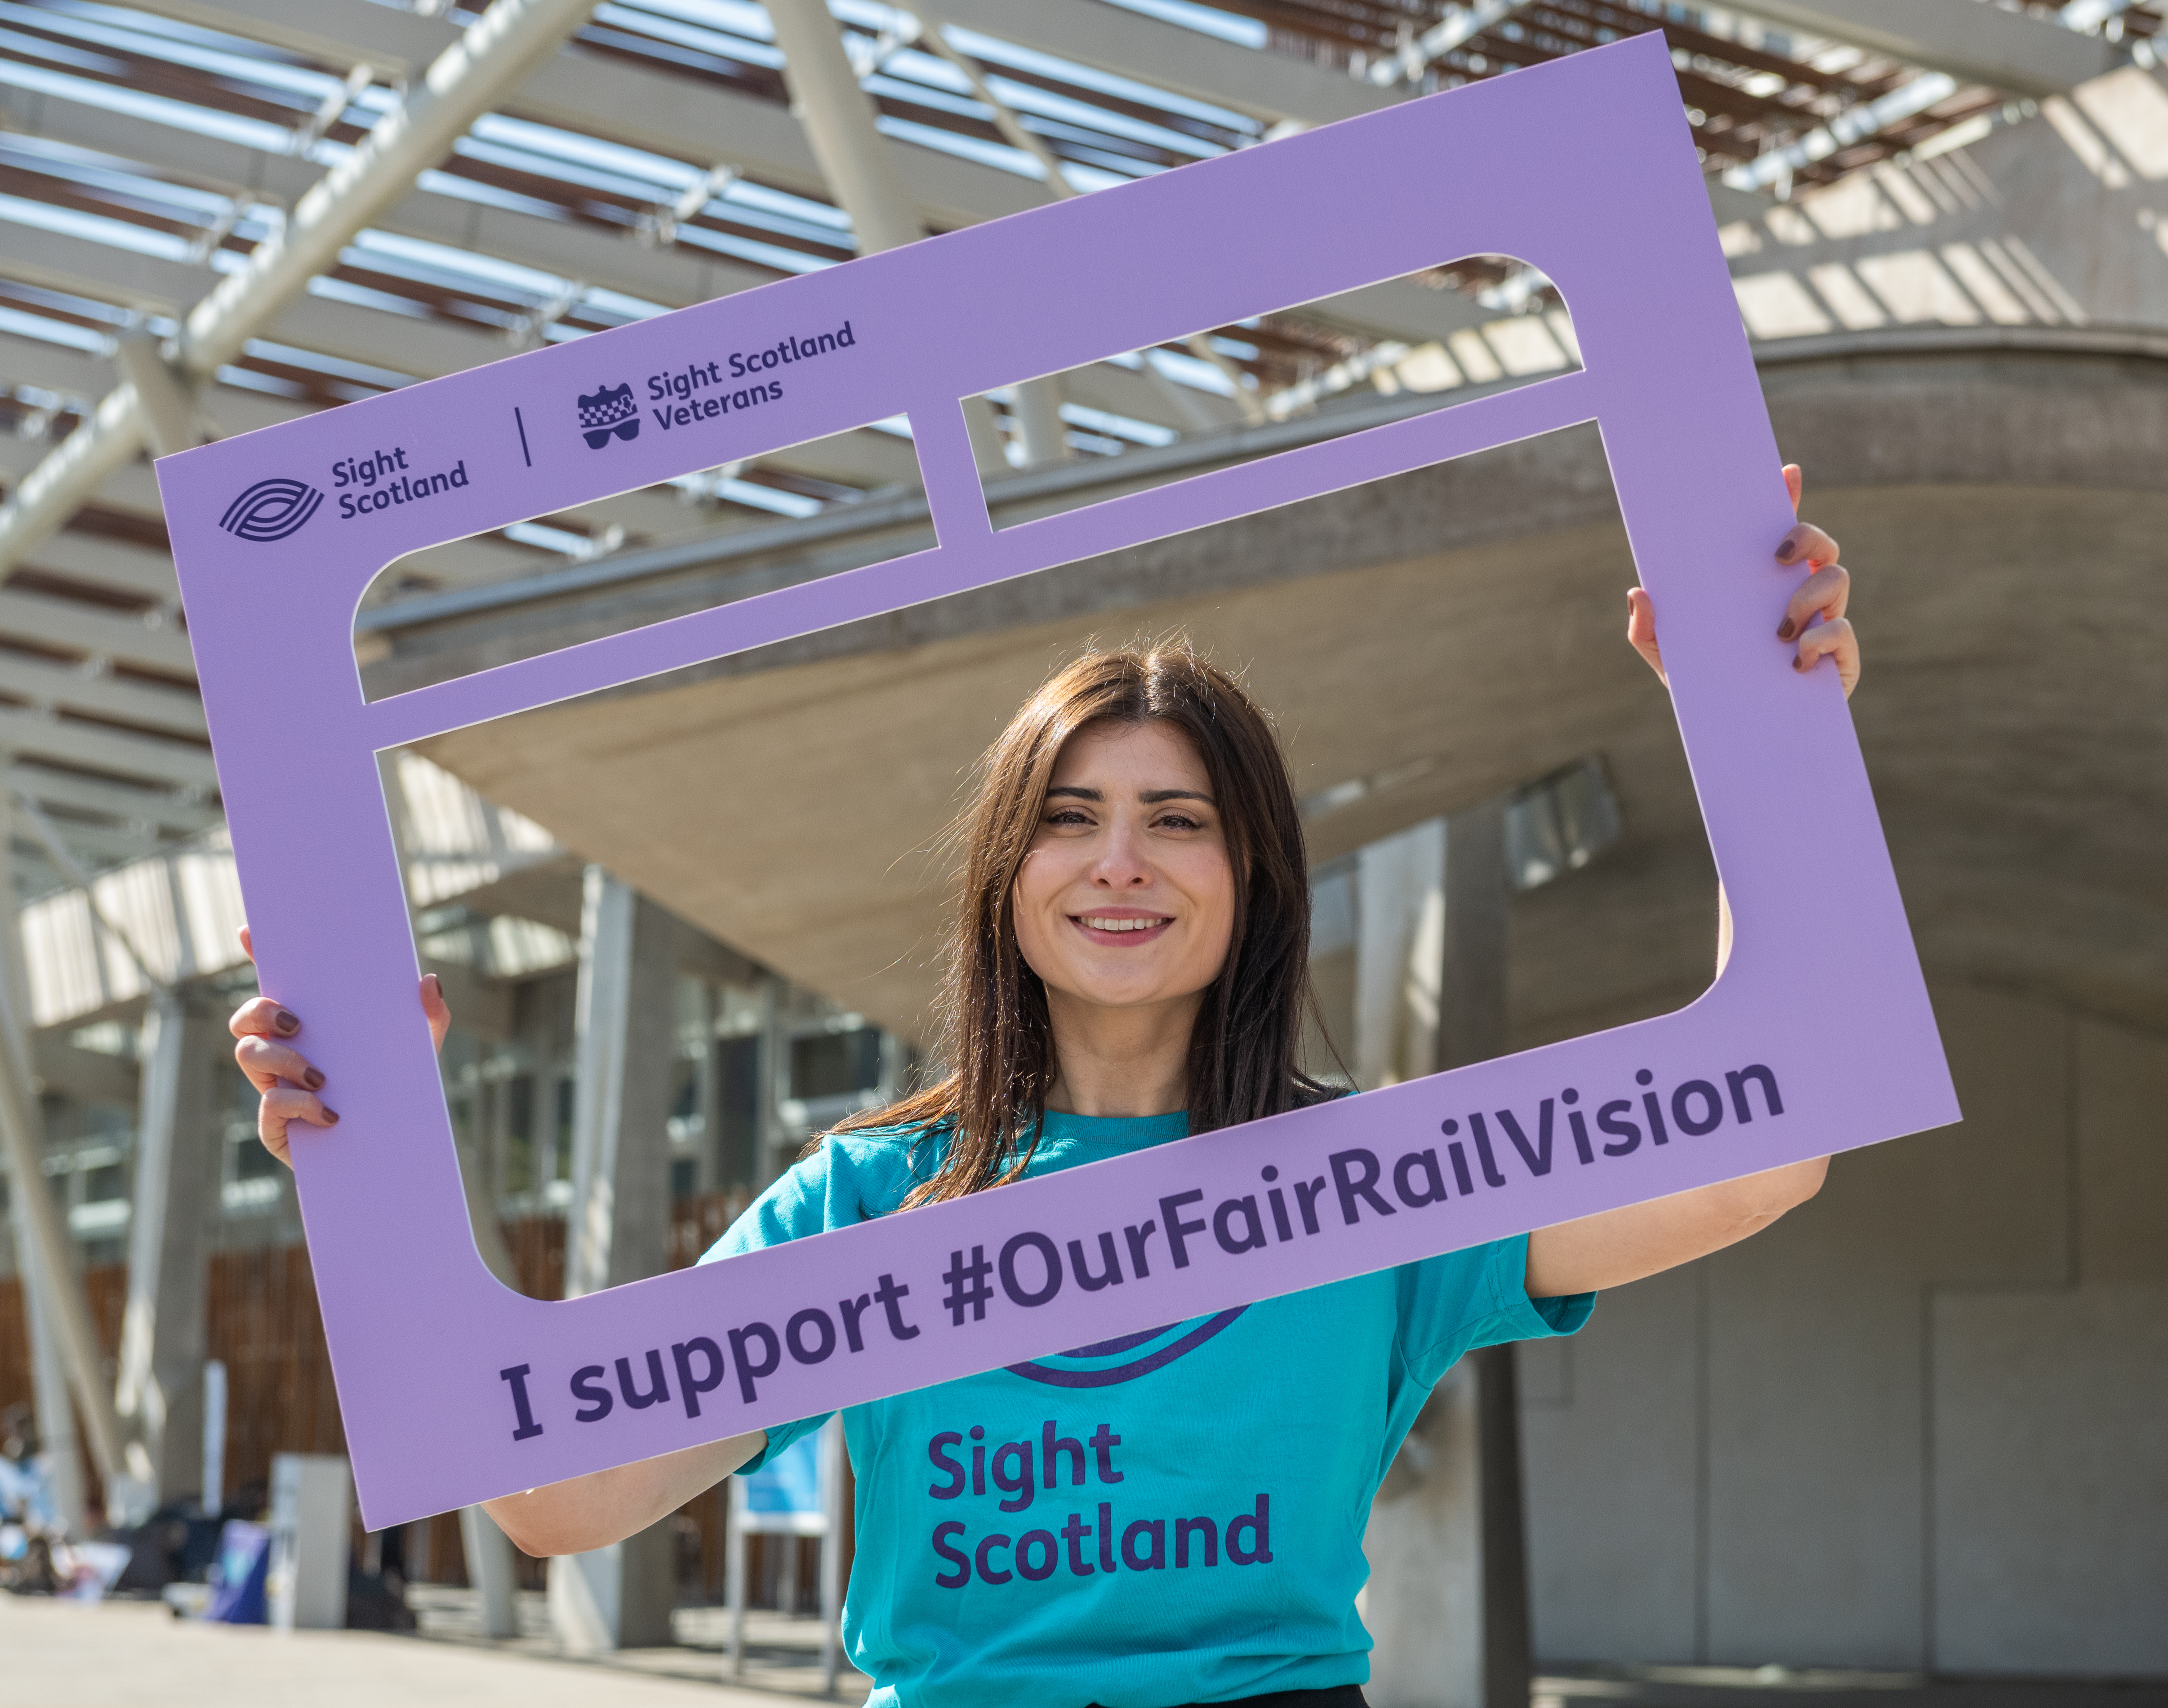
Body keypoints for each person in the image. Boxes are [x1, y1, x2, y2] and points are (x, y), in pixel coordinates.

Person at [232, 468, 1857, 1706]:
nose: (1122, 863)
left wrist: (1761, 722)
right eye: (1071, 817)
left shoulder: (1372, 1187)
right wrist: (365, 1150)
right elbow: (556, 1495)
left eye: (1183, 818)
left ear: (1256, 878)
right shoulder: (869, 1204)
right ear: (1007, 874)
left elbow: (1762, 1153)